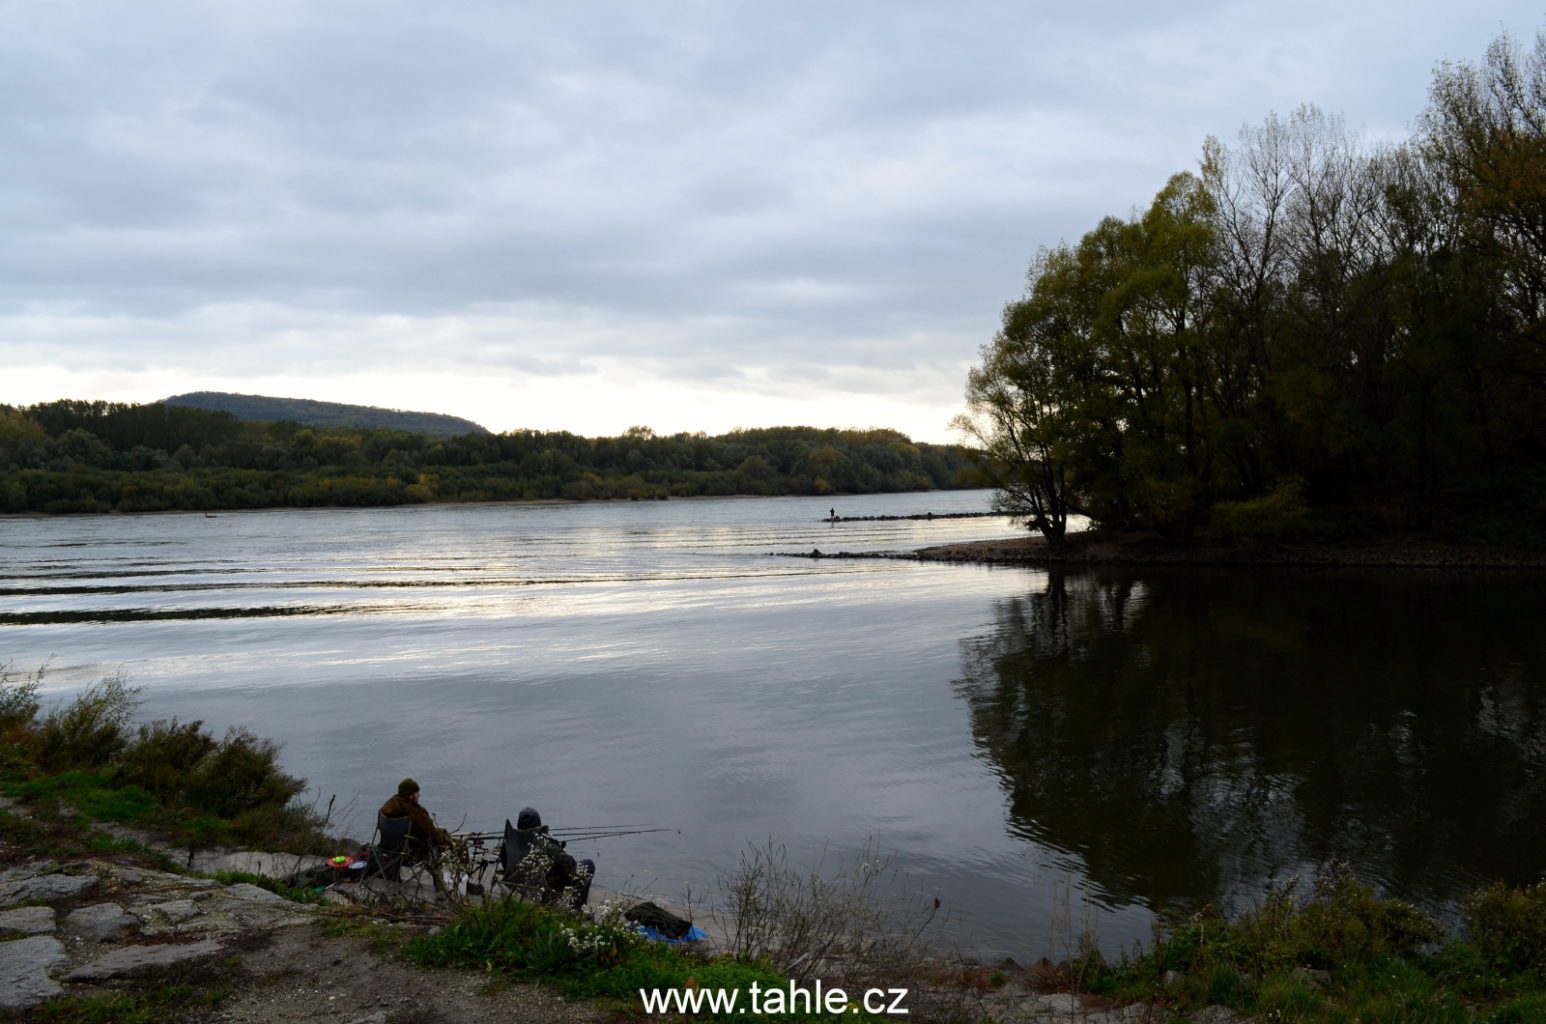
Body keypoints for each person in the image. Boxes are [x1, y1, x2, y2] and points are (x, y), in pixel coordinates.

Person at [379, 778, 451, 863]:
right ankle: (462, 873)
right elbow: (431, 835)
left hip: (389, 851)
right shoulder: (413, 811)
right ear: (410, 795)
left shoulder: (386, 808)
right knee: (452, 841)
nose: (419, 795)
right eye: (417, 793)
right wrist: (442, 835)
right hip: (411, 854)